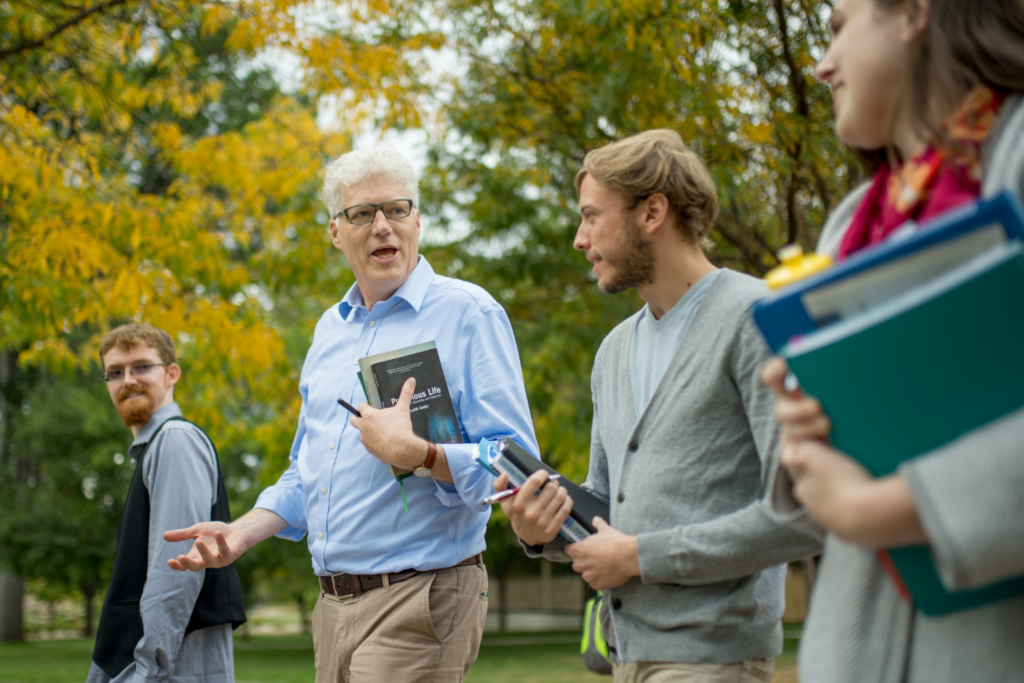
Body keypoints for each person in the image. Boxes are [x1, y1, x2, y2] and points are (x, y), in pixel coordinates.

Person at [164, 145, 538, 683]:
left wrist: (422, 455)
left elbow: (514, 461)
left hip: (420, 597)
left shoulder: (469, 313)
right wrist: (241, 534)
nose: (383, 226)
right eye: (363, 214)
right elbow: (305, 472)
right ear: (336, 232)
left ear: (419, 220)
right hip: (332, 607)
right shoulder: (328, 332)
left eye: (397, 209)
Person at [760, 1, 1024, 682]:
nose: (820, 67)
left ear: (912, 12)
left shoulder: (1016, 154)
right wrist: (803, 432)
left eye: (839, 27)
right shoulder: (850, 223)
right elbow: (814, 492)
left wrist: (881, 508)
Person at [497, 129, 821, 683]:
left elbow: (806, 515)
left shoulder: (757, 320)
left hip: (713, 659)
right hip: (624, 655)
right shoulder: (614, 350)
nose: (579, 238)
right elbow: (605, 509)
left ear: (652, 212)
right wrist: (541, 530)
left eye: (592, 216)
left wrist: (643, 556)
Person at [88, 323, 245, 683]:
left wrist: (148, 670)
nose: (127, 380)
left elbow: (174, 574)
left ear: (172, 373)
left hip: (168, 664)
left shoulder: (174, 441)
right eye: (115, 372)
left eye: (141, 366)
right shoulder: (156, 448)